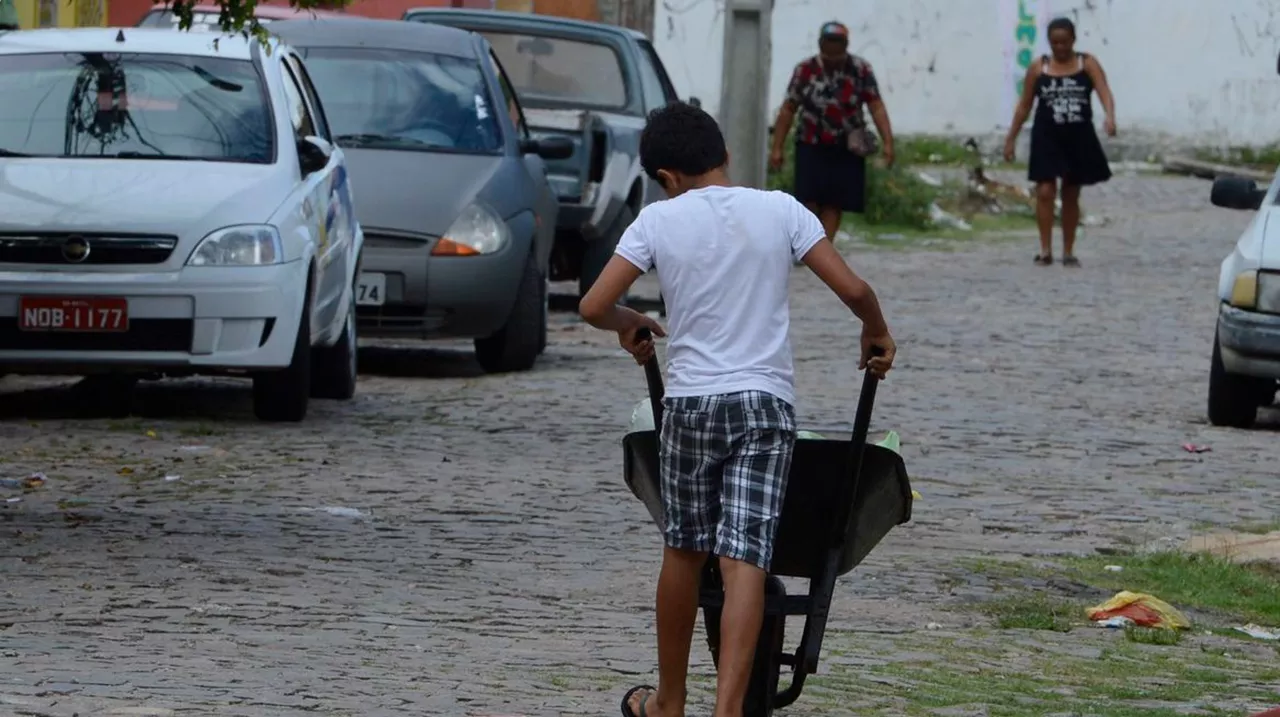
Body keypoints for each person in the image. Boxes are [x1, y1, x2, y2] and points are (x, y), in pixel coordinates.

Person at [578, 101, 895, 717]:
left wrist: (630, 322)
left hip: (692, 404)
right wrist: (875, 331)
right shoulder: (780, 210)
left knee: (684, 551)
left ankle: (669, 702)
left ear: (667, 177)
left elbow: (593, 305)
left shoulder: (656, 220)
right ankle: (729, 711)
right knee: (745, 555)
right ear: (723, 154)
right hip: (763, 404)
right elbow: (854, 289)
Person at [1003, 16, 1115, 267]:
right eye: (1055, 43)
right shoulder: (1038, 68)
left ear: (1073, 40)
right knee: (1044, 191)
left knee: (1071, 193)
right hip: (1047, 136)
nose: (1060, 48)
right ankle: (1045, 249)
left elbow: (1104, 91)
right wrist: (1011, 138)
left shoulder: (1087, 64)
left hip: (1078, 136)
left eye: (1064, 42)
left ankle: (1068, 249)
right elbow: (1024, 106)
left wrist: (1109, 116)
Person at [769, 20, 895, 243]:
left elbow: (876, 105)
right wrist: (777, 148)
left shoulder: (860, 70)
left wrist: (888, 143)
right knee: (808, 199)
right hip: (810, 143)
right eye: (829, 42)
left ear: (846, 45)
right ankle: (805, 243)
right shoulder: (805, 70)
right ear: (820, 44)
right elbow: (789, 108)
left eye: (838, 43)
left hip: (846, 147)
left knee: (835, 202)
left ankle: (823, 248)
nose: (833, 49)